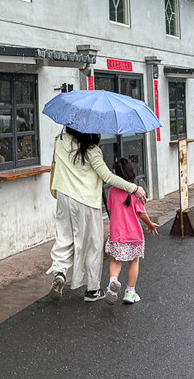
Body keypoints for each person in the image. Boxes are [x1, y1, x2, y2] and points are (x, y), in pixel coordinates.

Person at [47, 127, 147, 301]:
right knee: (92, 244)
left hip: (64, 196)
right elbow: (108, 177)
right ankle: (92, 290)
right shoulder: (92, 151)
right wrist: (134, 188)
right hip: (86, 200)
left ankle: (60, 272)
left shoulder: (60, 141)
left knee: (64, 237)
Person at [103, 158, 158, 305]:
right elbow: (142, 214)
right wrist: (150, 224)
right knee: (134, 261)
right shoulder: (136, 193)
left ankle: (113, 282)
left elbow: (110, 210)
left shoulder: (112, 191)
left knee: (116, 260)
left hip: (117, 234)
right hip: (134, 235)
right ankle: (130, 292)